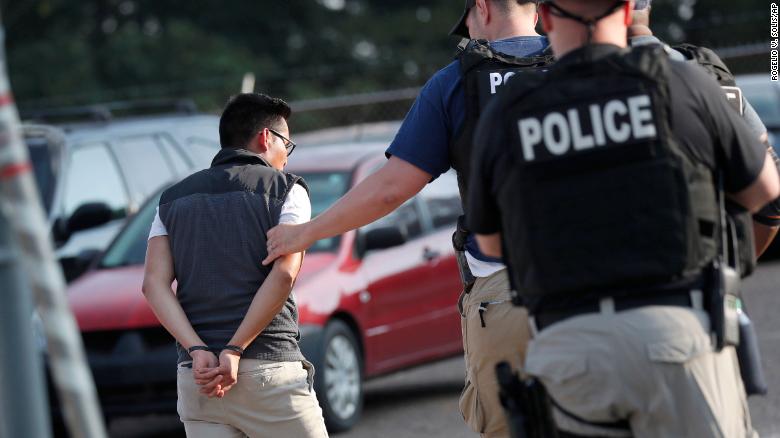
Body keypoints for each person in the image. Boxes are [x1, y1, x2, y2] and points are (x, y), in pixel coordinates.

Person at [467, 0, 779, 436]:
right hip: (677, 337)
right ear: (630, 9)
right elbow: (766, 192)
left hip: (570, 350)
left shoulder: (511, 110)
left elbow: (493, 245)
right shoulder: (680, 81)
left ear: (548, 16)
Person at [263, 1, 550, 436]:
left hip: (507, 294)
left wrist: (304, 234)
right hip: (606, 286)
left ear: (483, 8)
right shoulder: (589, 63)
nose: (468, 36)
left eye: (467, 24)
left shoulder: (456, 82)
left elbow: (391, 188)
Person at [142, 93, 328, 437]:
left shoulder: (171, 199)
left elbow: (153, 285)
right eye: (287, 144)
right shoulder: (287, 190)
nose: (286, 158)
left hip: (198, 380)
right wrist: (234, 349)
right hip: (269, 370)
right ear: (266, 138)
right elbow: (284, 273)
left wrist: (197, 350)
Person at [629, 0, 780, 259]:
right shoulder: (705, 74)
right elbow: (772, 199)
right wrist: (727, 269)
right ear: (648, 8)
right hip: (701, 284)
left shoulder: (572, 89)